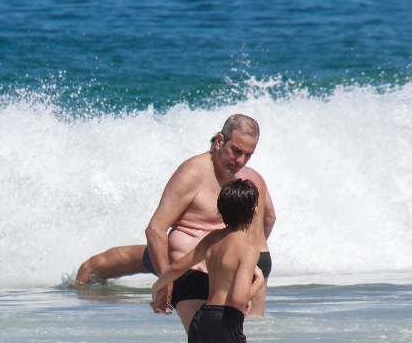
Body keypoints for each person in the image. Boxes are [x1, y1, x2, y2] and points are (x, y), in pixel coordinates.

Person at [75, 114, 276, 319]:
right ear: (219, 141)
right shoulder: (193, 172)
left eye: (248, 155)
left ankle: (91, 271)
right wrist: (166, 281)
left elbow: (269, 218)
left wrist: (241, 267)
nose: (240, 160)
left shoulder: (247, 178)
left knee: (243, 341)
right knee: (127, 261)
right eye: (236, 151)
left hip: (223, 274)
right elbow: (155, 229)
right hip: (185, 267)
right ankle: (86, 275)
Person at [151, 179, 267, 343]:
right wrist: (259, 281)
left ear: (221, 211)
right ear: (255, 212)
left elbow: (178, 267)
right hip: (225, 324)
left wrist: (157, 287)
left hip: (202, 321)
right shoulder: (247, 249)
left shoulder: (212, 239)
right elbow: (238, 296)